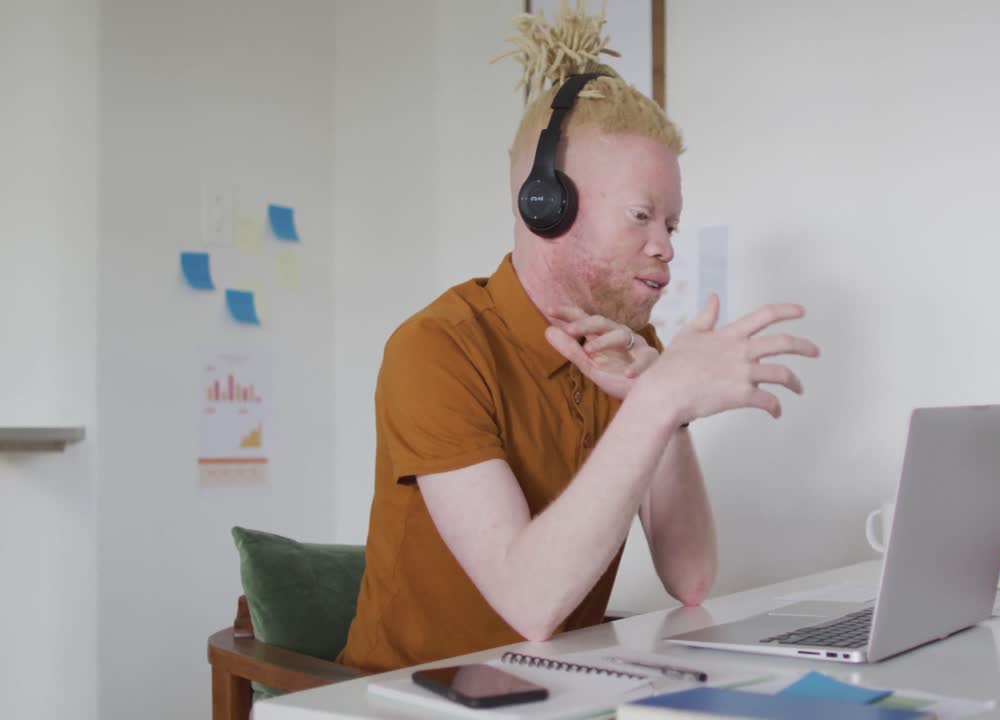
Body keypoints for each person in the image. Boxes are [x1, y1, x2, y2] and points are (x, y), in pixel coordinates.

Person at [337, 4, 819, 673]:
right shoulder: (434, 351)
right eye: (642, 216)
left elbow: (693, 579)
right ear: (547, 207)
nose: (664, 247)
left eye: (672, 225)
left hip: (559, 693)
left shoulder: (629, 343)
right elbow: (529, 602)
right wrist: (661, 398)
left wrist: (664, 407)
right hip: (411, 701)